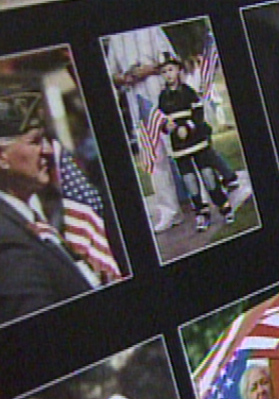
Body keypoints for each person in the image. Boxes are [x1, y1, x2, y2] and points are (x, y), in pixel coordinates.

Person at [0, 88, 93, 324]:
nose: (49, 150)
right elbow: (41, 336)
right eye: (34, 141)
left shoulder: (22, 217)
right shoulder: (7, 240)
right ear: (2, 158)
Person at [106, 27, 183, 233]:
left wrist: (149, 69)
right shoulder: (114, 37)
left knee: (181, 146)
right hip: (137, 101)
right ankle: (170, 210)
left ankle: (201, 198)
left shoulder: (150, 29)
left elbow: (172, 60)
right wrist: (125, 78)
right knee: (155, 157)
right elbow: (111, 74)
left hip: (163, 97)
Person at [157, 52, 234, 231]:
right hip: (179, 147)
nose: (168, 74)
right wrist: (166, 127)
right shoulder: (163, 97)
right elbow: (162, 119)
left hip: (196, 141)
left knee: (207, 174)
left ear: (178, 70)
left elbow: (198, 113)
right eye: (164, 71)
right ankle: (201, 212)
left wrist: (189, 126)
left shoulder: (187, 92)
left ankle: (224, 206)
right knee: (190, 180)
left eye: (171, 69)